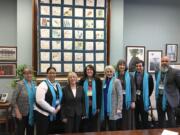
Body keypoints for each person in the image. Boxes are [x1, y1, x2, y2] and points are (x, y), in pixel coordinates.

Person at [34, 67, 63, 135]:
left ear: (56, 74)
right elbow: (40, 100)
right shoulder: (42, 85)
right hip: (43, 115)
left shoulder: (57, 84)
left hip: (55, 114)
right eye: (50, 73)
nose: (52, 74)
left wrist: (58, 107)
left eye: (54, 73)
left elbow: (60, 97)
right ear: (47, 74)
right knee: (43, 132)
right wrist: (52, 109)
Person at [155, 56, 180, 128]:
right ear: (161, 62)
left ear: (169, 62)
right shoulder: (157, 72)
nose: (164, 63)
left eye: (166, 61)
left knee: (171, 120)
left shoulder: (175, 72)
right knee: (160, 120)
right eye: (162, 61)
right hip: (159, 98)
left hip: (170, 100)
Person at [12, 67, 36, 135]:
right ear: (23, 75)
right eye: (26, 73)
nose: (29, 75)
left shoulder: (34, 84)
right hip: (20, 113)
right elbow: (13, 100)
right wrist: (17, 112)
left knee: (30, 132)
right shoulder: (19, 84)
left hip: (31, 113)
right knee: (20, 132)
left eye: (30, 73)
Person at [79, 64, 102, 132]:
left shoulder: (97, 80)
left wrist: (98, 107)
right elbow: (79, 94)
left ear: (93, 71)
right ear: (85, 71)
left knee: (93, 123)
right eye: (88, 69)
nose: (89, 71)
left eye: (91, 69)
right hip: (85, 105)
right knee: (85, 123)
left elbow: (100, 94)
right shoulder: (82, 80)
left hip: (94, 105)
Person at [100, 65, 123, 131]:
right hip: (104, 108)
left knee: (112, 128)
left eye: (111, 71)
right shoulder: (104, 82)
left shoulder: (117, 81)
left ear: (113, 72)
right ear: (105, 73)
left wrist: (119, 108)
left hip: (113, 108)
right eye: (107, 71)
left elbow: (120, 95)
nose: (109, 73)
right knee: (104, 127)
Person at [115, 60, 136, 130]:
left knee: (127, 117)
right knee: (118, 116)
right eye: (120, 65)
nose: (122, 66)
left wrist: (133, 101)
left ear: (125, 66)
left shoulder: (130, 76)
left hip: (127, 99)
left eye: (123, 65)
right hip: (117, 99)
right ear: (118, 66)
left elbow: (133, 89)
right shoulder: (114, 75)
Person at [134, 60, 154, 129]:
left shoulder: (148, 76)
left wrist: (146, 96)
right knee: (135, 119)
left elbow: (151, 89)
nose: (138, 67)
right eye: (137, 66)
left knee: (144, 119)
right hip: (135, 100)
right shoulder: (132, 76)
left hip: (144, 100)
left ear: (143, 66)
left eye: (140, 66)